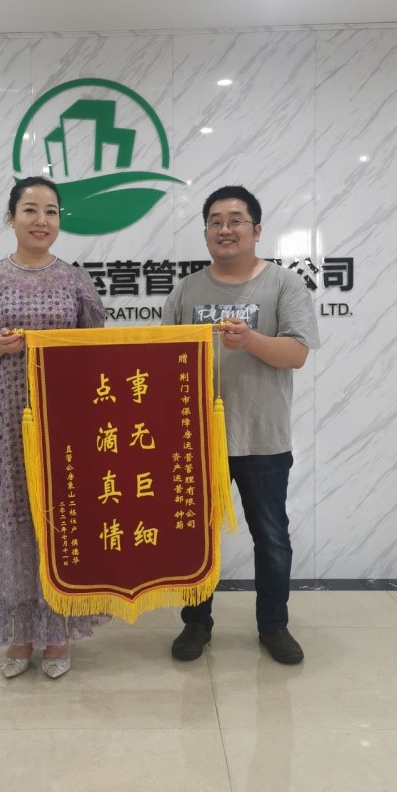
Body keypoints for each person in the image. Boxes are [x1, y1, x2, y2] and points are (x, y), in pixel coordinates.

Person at [162, 185, 320, 664]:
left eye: (235, 220)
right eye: (215, 222)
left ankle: (273, 626)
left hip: (262, 437)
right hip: (196, 439)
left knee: (271, 538)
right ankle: (196, 623)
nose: (224, 229)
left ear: (256, 229)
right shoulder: (187, 289)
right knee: (195, 537)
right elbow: (162, 359)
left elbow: (296, 353)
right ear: (206, 232)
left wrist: (251, 340)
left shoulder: (283, 284)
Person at [0, 176, 108, 679]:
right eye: (30, 210)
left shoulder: (75, 281)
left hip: (66, 416)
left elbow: (96, 350)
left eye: (51, 211)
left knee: (60, 514)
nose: (41, 220)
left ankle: (58, 630)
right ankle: (19, 633)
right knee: (14, 515)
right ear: (11, 217)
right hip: (9, 417)